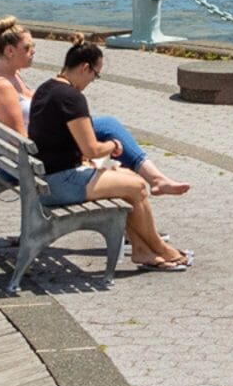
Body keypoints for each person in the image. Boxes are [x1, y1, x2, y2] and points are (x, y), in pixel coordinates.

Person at [24, 37, 191, 270]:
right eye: (95, 74)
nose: (93, 80)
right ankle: (161, 249)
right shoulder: (72, 98)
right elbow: (91, 148)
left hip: (44, 178)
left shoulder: (46, 88)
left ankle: (142, 251)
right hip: (60, 183)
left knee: (130, 180)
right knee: (138, 188)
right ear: (85, 67)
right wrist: (112, 145)